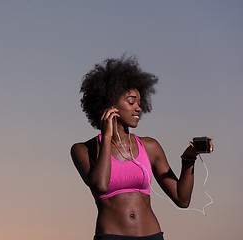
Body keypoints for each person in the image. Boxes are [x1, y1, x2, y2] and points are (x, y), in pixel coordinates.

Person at [70, 55, 214, 240]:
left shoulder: (150, 146)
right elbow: (100, 185)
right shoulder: (83, 149)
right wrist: (106, 137)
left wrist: (189, 159)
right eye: (131, 102)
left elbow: (182, 199)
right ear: (110, 104)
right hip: (111, 236)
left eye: (139, 102)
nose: (139, 108)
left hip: (152, 236)